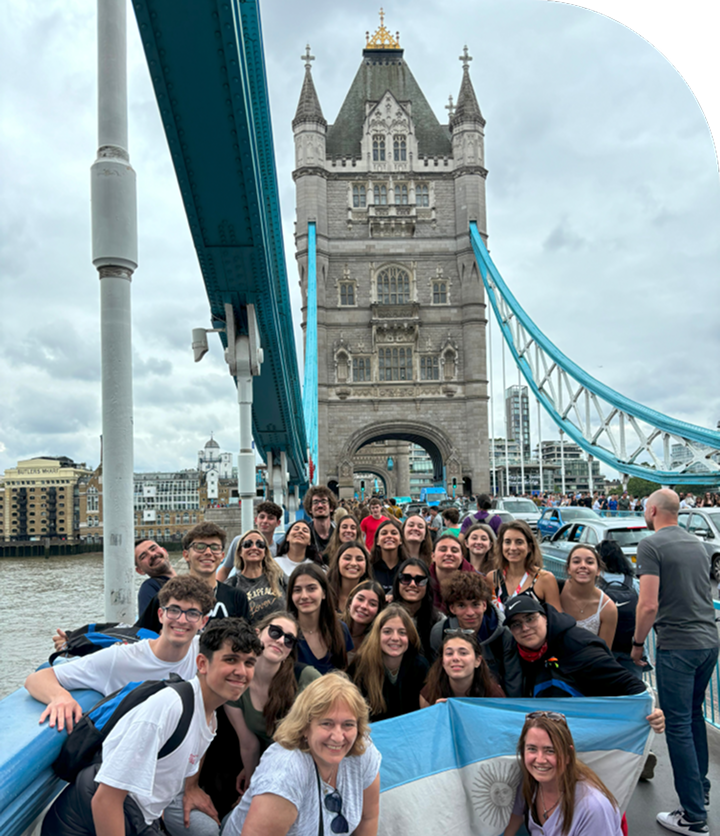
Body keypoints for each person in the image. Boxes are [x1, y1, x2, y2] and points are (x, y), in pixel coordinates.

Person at [41, 618, 262, 836]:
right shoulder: (169, 708)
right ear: (202, 663)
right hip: (86, 823)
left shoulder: (209, 717)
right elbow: (105, 799)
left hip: (136, 817)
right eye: (231, 660)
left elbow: (162, 784)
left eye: (249, 663)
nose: (241, 672)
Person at [633, 488, 719, 834]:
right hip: (708, 642)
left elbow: (648, 604)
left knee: (678, 725)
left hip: (677, 646)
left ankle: (693, 816)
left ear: (652, 510)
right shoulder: (697, 543)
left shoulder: (650, 545)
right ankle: (701, 791)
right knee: (694, 716)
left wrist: (637, 644)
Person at [26, 576, 214, 732]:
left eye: (192, 614)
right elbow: (37, 678)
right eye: (174, 611)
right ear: (160, 615)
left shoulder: (205, 650)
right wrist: (60, 697)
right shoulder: (120, 658)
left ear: (203, 622)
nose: (181, 620)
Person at [222, 673, 381, 836]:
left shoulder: (362, 750)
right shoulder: (285, 772)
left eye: (348, 724)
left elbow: (367, 818)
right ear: (305, 726)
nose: (338, 737)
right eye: (327, 723)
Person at [503, 596, 665, 735]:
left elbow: (627, 683)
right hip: (548, 730)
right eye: (516, 624)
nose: (525, 628)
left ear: (544, 618)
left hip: (591, 728)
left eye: (530, 619)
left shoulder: (578, 646)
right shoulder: (515, 653)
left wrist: (651, 711)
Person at [224, 612, 321, 796]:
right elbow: (249, 744)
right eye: (275, 632)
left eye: (289, 640)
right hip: (267, 764)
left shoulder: (306, 678)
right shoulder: (236, 680)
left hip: (305, 765)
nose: (281, 641)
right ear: (257, 633)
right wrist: (252, 788)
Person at [503, 711, 623, 836]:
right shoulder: (528, 784)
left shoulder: (593, 808)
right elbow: (513, 821)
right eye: (532, 749)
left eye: (550, 750)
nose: (540, 760)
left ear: (567, 755)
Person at [136, 523, 251, 633]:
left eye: (215, 547)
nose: (208, 552)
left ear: (222, 556)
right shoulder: (165, 597)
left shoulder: (237, 597)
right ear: (186, 555)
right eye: (200, 547)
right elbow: (139, 635)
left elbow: (246, 639)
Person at [430, 571, 522, 696]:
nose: (470, 613)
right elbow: (437, 677)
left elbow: (513, 682)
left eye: (475, 604)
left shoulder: (504, 635)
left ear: (484, 605)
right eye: (461, 605)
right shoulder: (440, 632)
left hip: (495, 699)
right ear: (452, 608)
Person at [349, 604, 430, 722]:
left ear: (410, 636)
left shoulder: (421, 666)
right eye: (387, 632)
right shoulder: (361, 666)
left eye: (402, 632)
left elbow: (428, 714)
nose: (395, 638)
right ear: (377, 635)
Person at [287, 564, 353, 674]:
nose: (304, 596)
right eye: (297, 590)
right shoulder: (285, 634)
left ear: (324, 593)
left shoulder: (341, 629)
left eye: (311, 589)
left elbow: (345, 673)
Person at [489, 521, 561, 613]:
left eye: (519, 542)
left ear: (529, 547)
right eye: (507, 542)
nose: (513, 548)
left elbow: (556, 618)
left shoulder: (545, 579)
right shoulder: (492, 578)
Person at [419, 632, 505, 707]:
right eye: (449, 653)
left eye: (463, 653)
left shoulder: (495, 697)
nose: (455, 658)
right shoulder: (429, 694)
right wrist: (436, 714)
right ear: (442, 662)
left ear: (477, 661)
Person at [559, 545, 618, 649]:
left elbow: (604, 652)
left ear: (598, 570)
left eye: (590, 562)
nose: (583, 566)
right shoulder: (554, 591)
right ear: (569, 569)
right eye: (576, 561)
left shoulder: (607, 608)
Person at [224, 528, 287, 624]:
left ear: (265, 552)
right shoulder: (231, 585)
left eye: (260, 544)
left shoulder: (279, 577)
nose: (254, 547)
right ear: (240, 552)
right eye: (247, 544)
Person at [217, 501, 284, 583]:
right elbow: (225, 570)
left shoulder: (278, 550)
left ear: (278, 523)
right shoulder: (238, 542)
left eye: (270, 518)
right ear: (256, 520)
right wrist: (216, 588)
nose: (265, 521)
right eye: (262, 517)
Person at [391, 557, 441, 662]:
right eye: (406, 578)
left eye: (420, 580)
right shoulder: (384, 616)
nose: (412, 584)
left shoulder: (439, 621)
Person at [429, 533, 475, 611]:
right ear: (433, 556)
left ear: (462, 557)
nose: (449, 554)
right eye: (443, 550)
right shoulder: (422, 581)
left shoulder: (477, 583)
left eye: (454, 551)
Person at [342, 581, 387, 658]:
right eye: (360, 599)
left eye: (372, 604)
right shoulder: (332, 626)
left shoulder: (379, 641)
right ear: (350, 602)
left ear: (378, 612)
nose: (364, 606)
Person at [326, 540, 373, 612]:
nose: (353, 563)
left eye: (359, 559)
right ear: (337, 562)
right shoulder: (324, 593)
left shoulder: (373, 596)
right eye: (347, 558)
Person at [134, 538, 177, 616]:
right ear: (140, 570)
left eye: (153, 549)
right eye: (143, 556)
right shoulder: (149, 587)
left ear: (165, 551)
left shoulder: (188, 582)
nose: (152, 554)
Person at [368, 518, 408, 595]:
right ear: (377, 541)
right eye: (384, 533)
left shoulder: (408, 567)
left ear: (401, 540)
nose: (389, 536)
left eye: (394, 533)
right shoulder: (369, 567)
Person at [303, 485, 337, 554]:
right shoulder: (304, 534)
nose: (320, 505)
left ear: (331, 508)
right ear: (310, 509)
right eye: (315, 502)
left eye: (324, 502)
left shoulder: (339, 533)